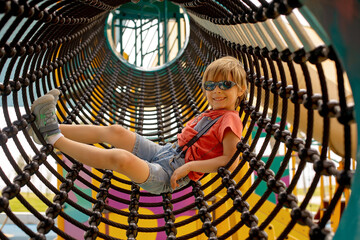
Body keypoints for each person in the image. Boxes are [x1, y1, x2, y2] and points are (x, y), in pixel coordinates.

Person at [28, 56, 247, 195]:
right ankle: (46, 128)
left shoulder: (231, 119)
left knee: (120, 158)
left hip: (168, 175)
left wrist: (189, 167)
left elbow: (230, 160)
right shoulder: (211, 113)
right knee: (116, 131)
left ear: (241, 89)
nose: (216, 90)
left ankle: (52, 137)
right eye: (210, 85)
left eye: (225, 84)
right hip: (166, 151)